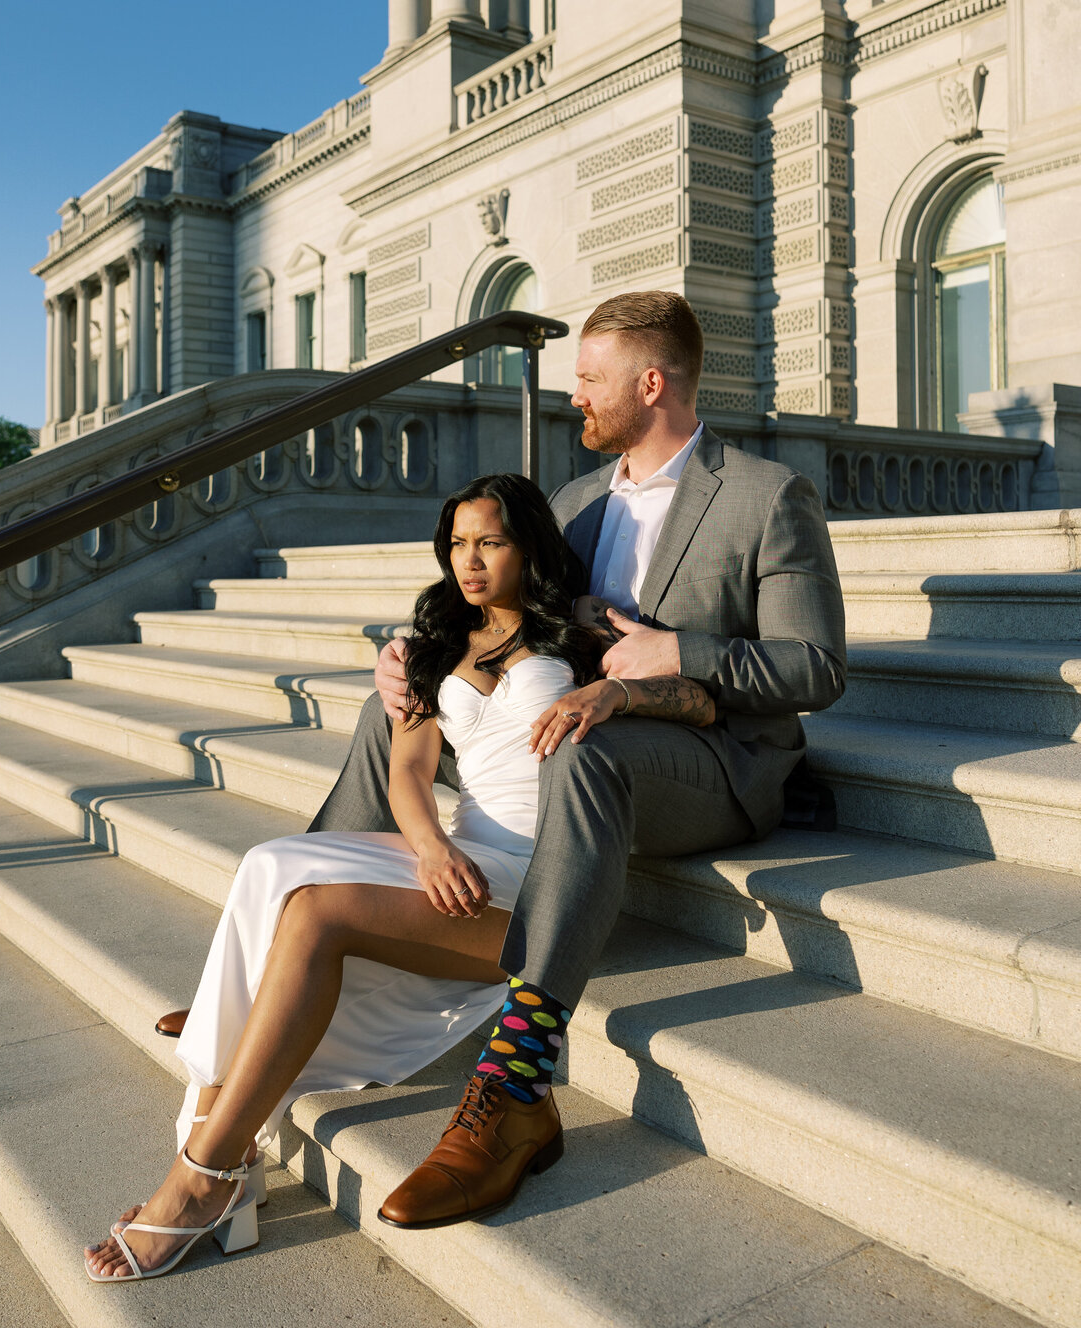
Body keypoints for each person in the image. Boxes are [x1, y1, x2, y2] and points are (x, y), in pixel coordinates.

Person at [83, 471, 715, 1280]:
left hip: (540, 887)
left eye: (490, 542)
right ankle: (219, 1162)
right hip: (460, 855)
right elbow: (410, 777)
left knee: (313, 914)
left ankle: (200, 1178)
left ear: (528, 545)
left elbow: (700, 701)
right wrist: (430, 849)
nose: (470, 562)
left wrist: (615, 692)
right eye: (457, 544)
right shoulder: (437, 644)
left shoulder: (583, 630)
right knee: (269, 862)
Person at [310, 288, 846, 1222]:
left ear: (651, 381)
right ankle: (308, 960)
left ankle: (517, 1084)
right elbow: (500, 613)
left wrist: (678, 652)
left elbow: (816, 666)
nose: (574, 399)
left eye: (590, 380)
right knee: (387, 714)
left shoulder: (766, 495)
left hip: (711, 764)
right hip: (568, 734)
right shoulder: (577, 501)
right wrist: (412, 654)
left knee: (583, 757)